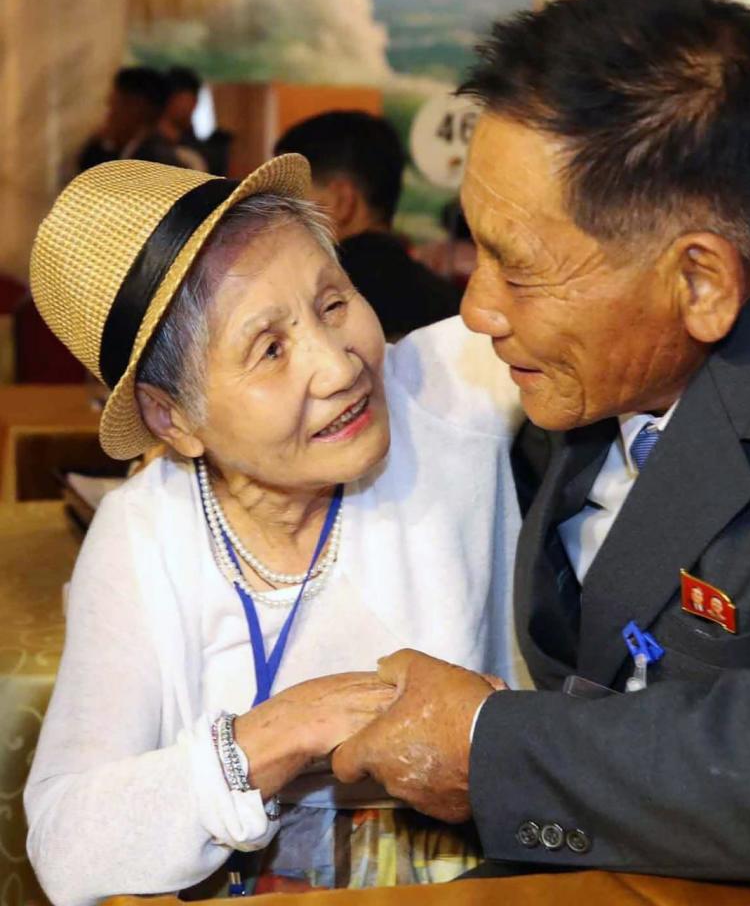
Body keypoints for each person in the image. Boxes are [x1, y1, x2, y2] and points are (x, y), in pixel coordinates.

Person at [331, 0, 750, 889]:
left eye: (520, 268)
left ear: (700, 283)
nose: (477, 310)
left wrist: (485, 744)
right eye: (475, 251)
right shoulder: (585, 369)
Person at [24, 156, 521, 903]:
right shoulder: (144, 532)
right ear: (173, 418)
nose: (339, 366)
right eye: (271, 349)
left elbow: (593, 301)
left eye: (332, 303)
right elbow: (66, 843)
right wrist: (282, 732)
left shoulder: (448, 393)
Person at [274, 111, 462, 339]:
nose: (278, 215)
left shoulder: (313, 299)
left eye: (290, 199)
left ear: (342, 200)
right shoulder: (450, 302)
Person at [77, 66, 170, 171]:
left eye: (113, 107)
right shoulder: (121, 150)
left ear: (136, 107)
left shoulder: (155, 162)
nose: (109, 117)